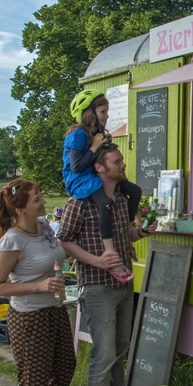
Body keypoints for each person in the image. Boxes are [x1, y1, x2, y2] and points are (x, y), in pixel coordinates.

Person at [58, 144, 148, 386]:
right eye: (117, 161)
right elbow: (64, 240)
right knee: (103, 354)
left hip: (124, 283)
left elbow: (127, 234)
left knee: (120, 347)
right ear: (100, 168)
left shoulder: (121, 198)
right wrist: (96, 260)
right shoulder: (81, 201)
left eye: (122, 160)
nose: (123, 165)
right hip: (97, 285)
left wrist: (145, 231)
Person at [0, 178, 74, 386]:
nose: (43, 202)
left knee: (65, 366)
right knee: (34, 376)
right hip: (28, 317)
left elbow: (54, 257)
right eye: (37, 200)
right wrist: (38, 286)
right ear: (20, 209)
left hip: (55, 309)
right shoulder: (12, 240)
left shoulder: (44, 227)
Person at [62, 89, 143, 283]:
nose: (107, 116)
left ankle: (128, 233)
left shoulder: (97, 133)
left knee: (135, 191)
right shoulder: (77, 135)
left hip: (95, 175)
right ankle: (110, 250)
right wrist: (94, 148)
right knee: (105, 204)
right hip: (81, 179)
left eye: (107, 112)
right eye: (103, 112)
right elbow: (76, 166)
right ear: (89, 113)